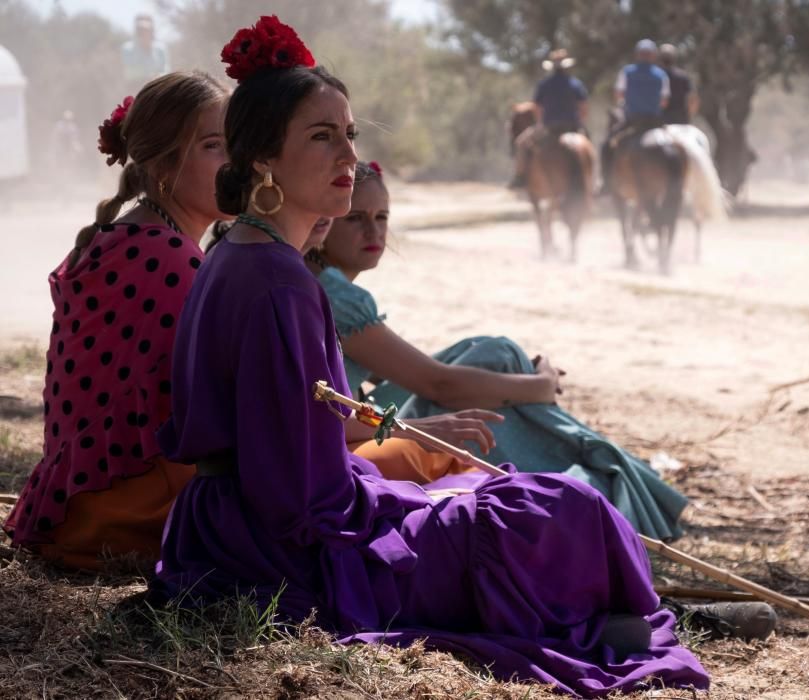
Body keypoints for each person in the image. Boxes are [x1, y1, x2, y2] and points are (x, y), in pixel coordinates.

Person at [152, 16, 710, 697]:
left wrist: (410, 481)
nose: (346, 158)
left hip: (227, 525)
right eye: (322, 137)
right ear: (263, 158)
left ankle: (611, 612)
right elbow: (296, 498)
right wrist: (398, 511)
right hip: (276, 550)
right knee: (558, 507)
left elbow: (297, 437)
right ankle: (608, 617)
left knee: (512, 494)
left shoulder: (242, 253)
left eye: (350, 135)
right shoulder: (276, 280)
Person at [315, 160, 690, 540]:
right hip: (344, 447)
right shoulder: (334, 292)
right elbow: (439, 385)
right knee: (495, 357)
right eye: (355, 218)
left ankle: (599, 469)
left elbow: (397, 369)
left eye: (382, 217)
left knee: (489, 352)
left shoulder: (326, 286)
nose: (373, 230)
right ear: (325, 222)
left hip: (350, 429)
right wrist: (540, 385)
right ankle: (597, 478)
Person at [3, 72, 228, 570]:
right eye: (214, 145)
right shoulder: (168, 256)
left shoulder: (128, 236)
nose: (235, 162)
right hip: (132, 504)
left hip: (80, 499)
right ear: (164, 163)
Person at [509, 49, 589, 189]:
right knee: (589, 144)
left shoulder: (544, 84)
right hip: (573, 126)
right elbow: (583, 108)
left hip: (550, 127)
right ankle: (594, 180)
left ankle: (520, 177)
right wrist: (580, 121)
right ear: (566, 67)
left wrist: (541, 123)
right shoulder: (576, 84)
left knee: (521, 143)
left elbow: (537, 108)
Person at [600, 39, 670, 195]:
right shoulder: (661, 74)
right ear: (653, 56)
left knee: (606, 146)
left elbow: (619, 94)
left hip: (632, 121)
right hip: (654, 121)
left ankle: (606, 183)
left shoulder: (627, 72)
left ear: (638, 55)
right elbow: (664, 101)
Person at [121, 15, 170, 95]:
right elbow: (129, 71)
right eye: (141, 31)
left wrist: (157, 78)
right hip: (135, 86)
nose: (144, 34)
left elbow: (165, 69)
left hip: (157, 86)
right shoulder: (127, 49)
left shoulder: (161, 49)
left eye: (147, 30)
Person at [659, 44, 698, 125]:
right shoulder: (683, 76)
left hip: (660, 121)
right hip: (681, 120)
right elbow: (693, 99)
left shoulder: (656, 76)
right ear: (674, 58)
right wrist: (689, 116)